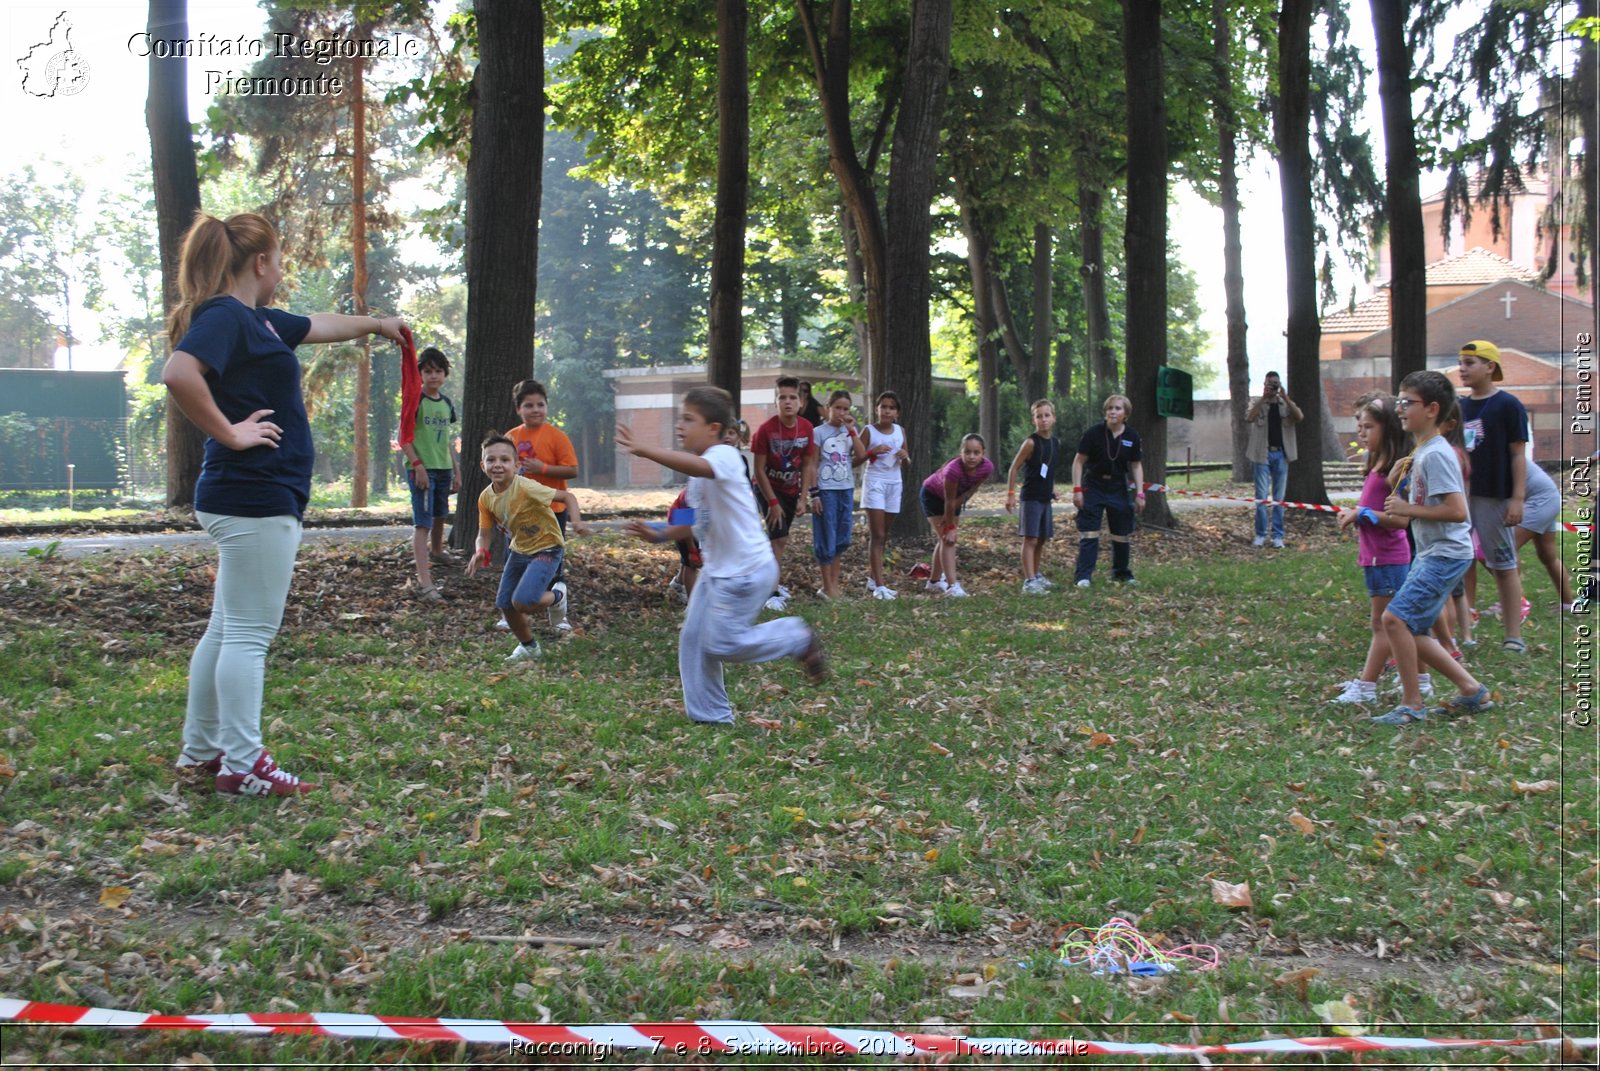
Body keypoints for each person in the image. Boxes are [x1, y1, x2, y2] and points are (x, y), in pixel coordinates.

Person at [161, 211, 407, 797]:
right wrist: (230, 432)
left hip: (248, 495)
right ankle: (241, 762)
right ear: (261, 263)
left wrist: (378, 323)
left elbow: (318, 323)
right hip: (253, 494)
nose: (282, 271)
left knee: (226, 630)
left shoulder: (258, 323)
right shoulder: (226, 315)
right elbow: (177, 373)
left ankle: (200, 753)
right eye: (279, 261)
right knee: (247, 634)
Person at [618, 386, 826, 726]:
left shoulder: (725, 457)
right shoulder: (699, 476)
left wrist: (645, 450)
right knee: (694, 639)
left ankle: (796, 636)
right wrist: (659, 532)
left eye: (688, 419)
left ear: (713, 429)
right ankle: (711, 715)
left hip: (745, 572)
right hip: (719, 572)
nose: (680, 425)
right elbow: (694, 519)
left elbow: (701, 467)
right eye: (680, 418)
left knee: (722, 644)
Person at [1373, 370, 1495, 726]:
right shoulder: (1424, 450)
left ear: (1432, 409)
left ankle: (1412, 704)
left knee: (1394, 619)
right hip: (1435, 551)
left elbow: (1457, 511)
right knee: (1414, 629)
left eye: (1407, 402)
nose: (1399, 408)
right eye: (1399, 401)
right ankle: (1472, 691)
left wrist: (1408, 508)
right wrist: (1402, 482)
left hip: (1444, 553)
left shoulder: (1436, 454)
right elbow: (1430, 498)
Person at [467, 434, 592, 662]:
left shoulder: (525, 487)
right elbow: (484, 534)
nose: (497, 464)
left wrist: (577, 522)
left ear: (516, 465)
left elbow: (567, 496)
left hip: (547, 548)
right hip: (519, 550)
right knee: (505, 604)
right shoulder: (485, 498)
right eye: (491, 459)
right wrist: (480, 551)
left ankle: (557, 596)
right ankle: (529, 647)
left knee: (522, 602)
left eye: (504, 460)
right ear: (482, 465)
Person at [1332, 394, 1421, 705]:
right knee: (1396, 623)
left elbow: (1400, 520)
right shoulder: (1376, 463)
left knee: (1385, 623)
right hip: (1373, 557)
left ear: (1389, 428)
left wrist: (1363, 514)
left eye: (1368, 426)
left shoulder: (1394, 471)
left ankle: (1367, 686)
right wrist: (1357, 512)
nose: (1361, 432)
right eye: (1359, 425)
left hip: (1388, 558)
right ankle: (1417, 681)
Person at [1456, 340, 1531, 653]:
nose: (1462, 368)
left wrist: (1517, 498)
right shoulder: (1458, 407)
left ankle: (1513, 634)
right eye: (1460, 362)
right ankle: (1463, 631)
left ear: (1490, 367)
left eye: (1470, 362)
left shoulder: (1508, 405)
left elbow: (1517, 455)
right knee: (1460, 562)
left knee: (1503, 564)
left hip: (1494, 498)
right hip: (1461, 498)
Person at [506, 379, 580, 633]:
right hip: (521, 513)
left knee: (552, 564)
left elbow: (572, 470)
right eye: (529, 405)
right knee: (516, 559)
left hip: (553, 511)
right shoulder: (511, 437)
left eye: (540, 404)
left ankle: (559, 617)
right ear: (519, 409)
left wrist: (544, 468)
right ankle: (510, 612)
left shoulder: (556, 436)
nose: (535, 409)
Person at [399, 346, 460, 604]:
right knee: (422, 523)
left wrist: (456, 470)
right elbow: (404, 438)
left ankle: (437, 551)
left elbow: (447, 440)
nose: (433, 376)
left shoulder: (446, 403)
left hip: (444, 468)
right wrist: (418, 465)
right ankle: (425, 584)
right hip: (421, 470)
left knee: (440, 514)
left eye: (438, 371)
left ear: (445, 374)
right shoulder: (416, 401)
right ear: (420, 374)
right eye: (428, 371)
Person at [751, 376, 817, 611]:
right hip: (767, 487)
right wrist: (772, 503)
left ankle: (771, 580)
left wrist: (803, 498)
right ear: (775, 401)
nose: (787, 402)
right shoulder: (765, 430)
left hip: (790, 489)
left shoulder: (806, 428)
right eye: (782, 398)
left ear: (801, 401)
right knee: (778, 538)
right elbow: (758, 469)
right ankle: (770, 591)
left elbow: (808, 464)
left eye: (792, 397)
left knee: (781, 538)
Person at [1071, 394, 1146, 587]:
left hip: (1118, 487)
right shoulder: (1093, 433)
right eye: (1110, 408)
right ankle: (1083, 576)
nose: (1112, 411)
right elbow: (1079, 461)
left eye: (1117, 408)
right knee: (1089, 531)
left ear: (1126, 414)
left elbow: (1136, 465)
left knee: (1121, 532)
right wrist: (1077, 489)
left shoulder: (1132, 436)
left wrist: (1140, 493)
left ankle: (1121, 573)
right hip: (1094, 485)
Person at [919, 434, 995, 598]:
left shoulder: (987, 467)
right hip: (933, 495)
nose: (972, 456)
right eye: (967, 452)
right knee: (949, 538)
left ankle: (933, 582)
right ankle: (952, 586)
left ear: (983, 453)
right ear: (961, 452)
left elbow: (973, 487)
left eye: (976, 452)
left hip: (956, 499)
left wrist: (962, 501)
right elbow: (948, 501)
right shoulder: (953, 471)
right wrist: (949, 526)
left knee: (945, 539)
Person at [810, 389, 867, 599]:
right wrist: (813, 494)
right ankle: (827, 587)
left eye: (845, 408)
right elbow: (812, 464)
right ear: (828, 408)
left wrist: (852, 430)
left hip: (846, 489)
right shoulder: (818, 432)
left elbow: (862, 455)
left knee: (841, 538)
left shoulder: (849, 431)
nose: (841, 412)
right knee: (826, 536)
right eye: (837, 408)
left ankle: (833, 586)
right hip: (826, 490)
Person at [1006, 399, 1061, 594]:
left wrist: (1052, 488)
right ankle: (1029, 582)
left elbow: (1049, 469)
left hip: (1045, 498)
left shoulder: (1055, 443)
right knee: (1030, 539)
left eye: (1047, 415)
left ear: (1053, 418)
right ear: (1033, 420)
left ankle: (1036, 575)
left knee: (1041, 538)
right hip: (1031, 498)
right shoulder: (1030, 443)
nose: (1043, 419)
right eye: (1039, 416)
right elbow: (1014, 467)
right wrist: (1011, 494)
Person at [1243, 370, 1303, 548]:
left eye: (1276, 383)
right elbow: (1249, 417)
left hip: (1281, 455)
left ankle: (1278, 536)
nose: (1273, 387)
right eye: (1270, 384)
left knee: (1279, 498)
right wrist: (1263, 398)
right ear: (1264, 384)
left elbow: (1299, 417)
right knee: (1261, 497)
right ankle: (1260, 534)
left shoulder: (1286, 404)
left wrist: (1285, 396)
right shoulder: (1258, 402)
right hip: (1262, 454)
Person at [860, 391, 908, 600]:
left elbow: (906, 462)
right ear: (876, 409)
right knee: (877, 535)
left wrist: (905, 456)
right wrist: (873, 451)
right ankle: (880, 586)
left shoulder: (900, 431)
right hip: (875, 483)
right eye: (883, 406)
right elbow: (855, 459)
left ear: (897, 412)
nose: (887, 410)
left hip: (894, 483)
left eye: (891, 407)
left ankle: (873, 578)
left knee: (884, 535)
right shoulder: (868, 431)